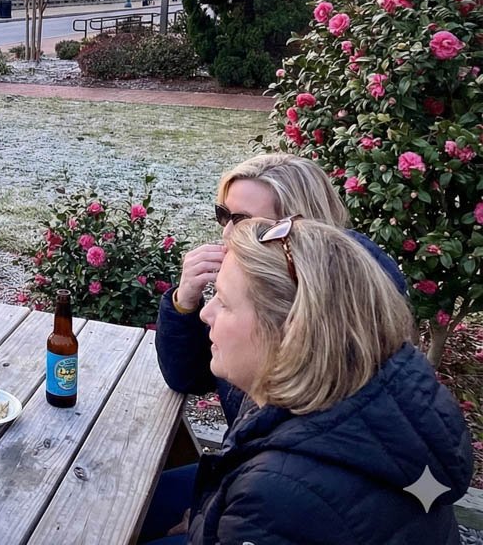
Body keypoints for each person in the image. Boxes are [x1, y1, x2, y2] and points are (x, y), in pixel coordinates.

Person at [141, 154, 408, 543]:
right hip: (253, 475)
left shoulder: (340, 321)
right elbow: (187, 376)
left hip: (290, 504)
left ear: (301, 227)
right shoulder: (269, 287)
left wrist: (206, 517)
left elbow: (294, 485)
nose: (228, 235)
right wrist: (185, 303)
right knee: (123, 495)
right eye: (223, 215)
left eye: (245, 221)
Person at [176, 218, 471, 543]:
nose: (206, 313)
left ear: (291, 332)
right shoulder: (373, 386)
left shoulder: (275, 499)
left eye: (224, 302)